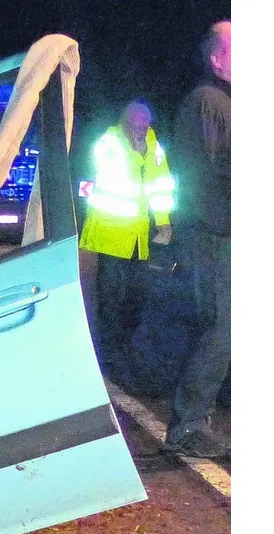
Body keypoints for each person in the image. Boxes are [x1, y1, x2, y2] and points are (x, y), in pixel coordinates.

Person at [163, 21, 232, 460]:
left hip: (220, 232)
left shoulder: (224, 101)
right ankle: (187, 424)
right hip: (215, 236)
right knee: (223, 328)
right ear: (216, 59)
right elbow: (205, 175)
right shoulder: (207, 101)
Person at [78, 101, 176, 378]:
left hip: (138, 237)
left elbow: (161, 186)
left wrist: (164, 221)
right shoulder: (108, 145)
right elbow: (88, 182)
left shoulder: (155, 147)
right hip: (110, 235)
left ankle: (125, 354)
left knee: (136, 299)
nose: (140, 132)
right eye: (135, 127)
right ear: (123, 124)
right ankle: (109, 359)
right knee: (110, 299)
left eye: (145, 127)